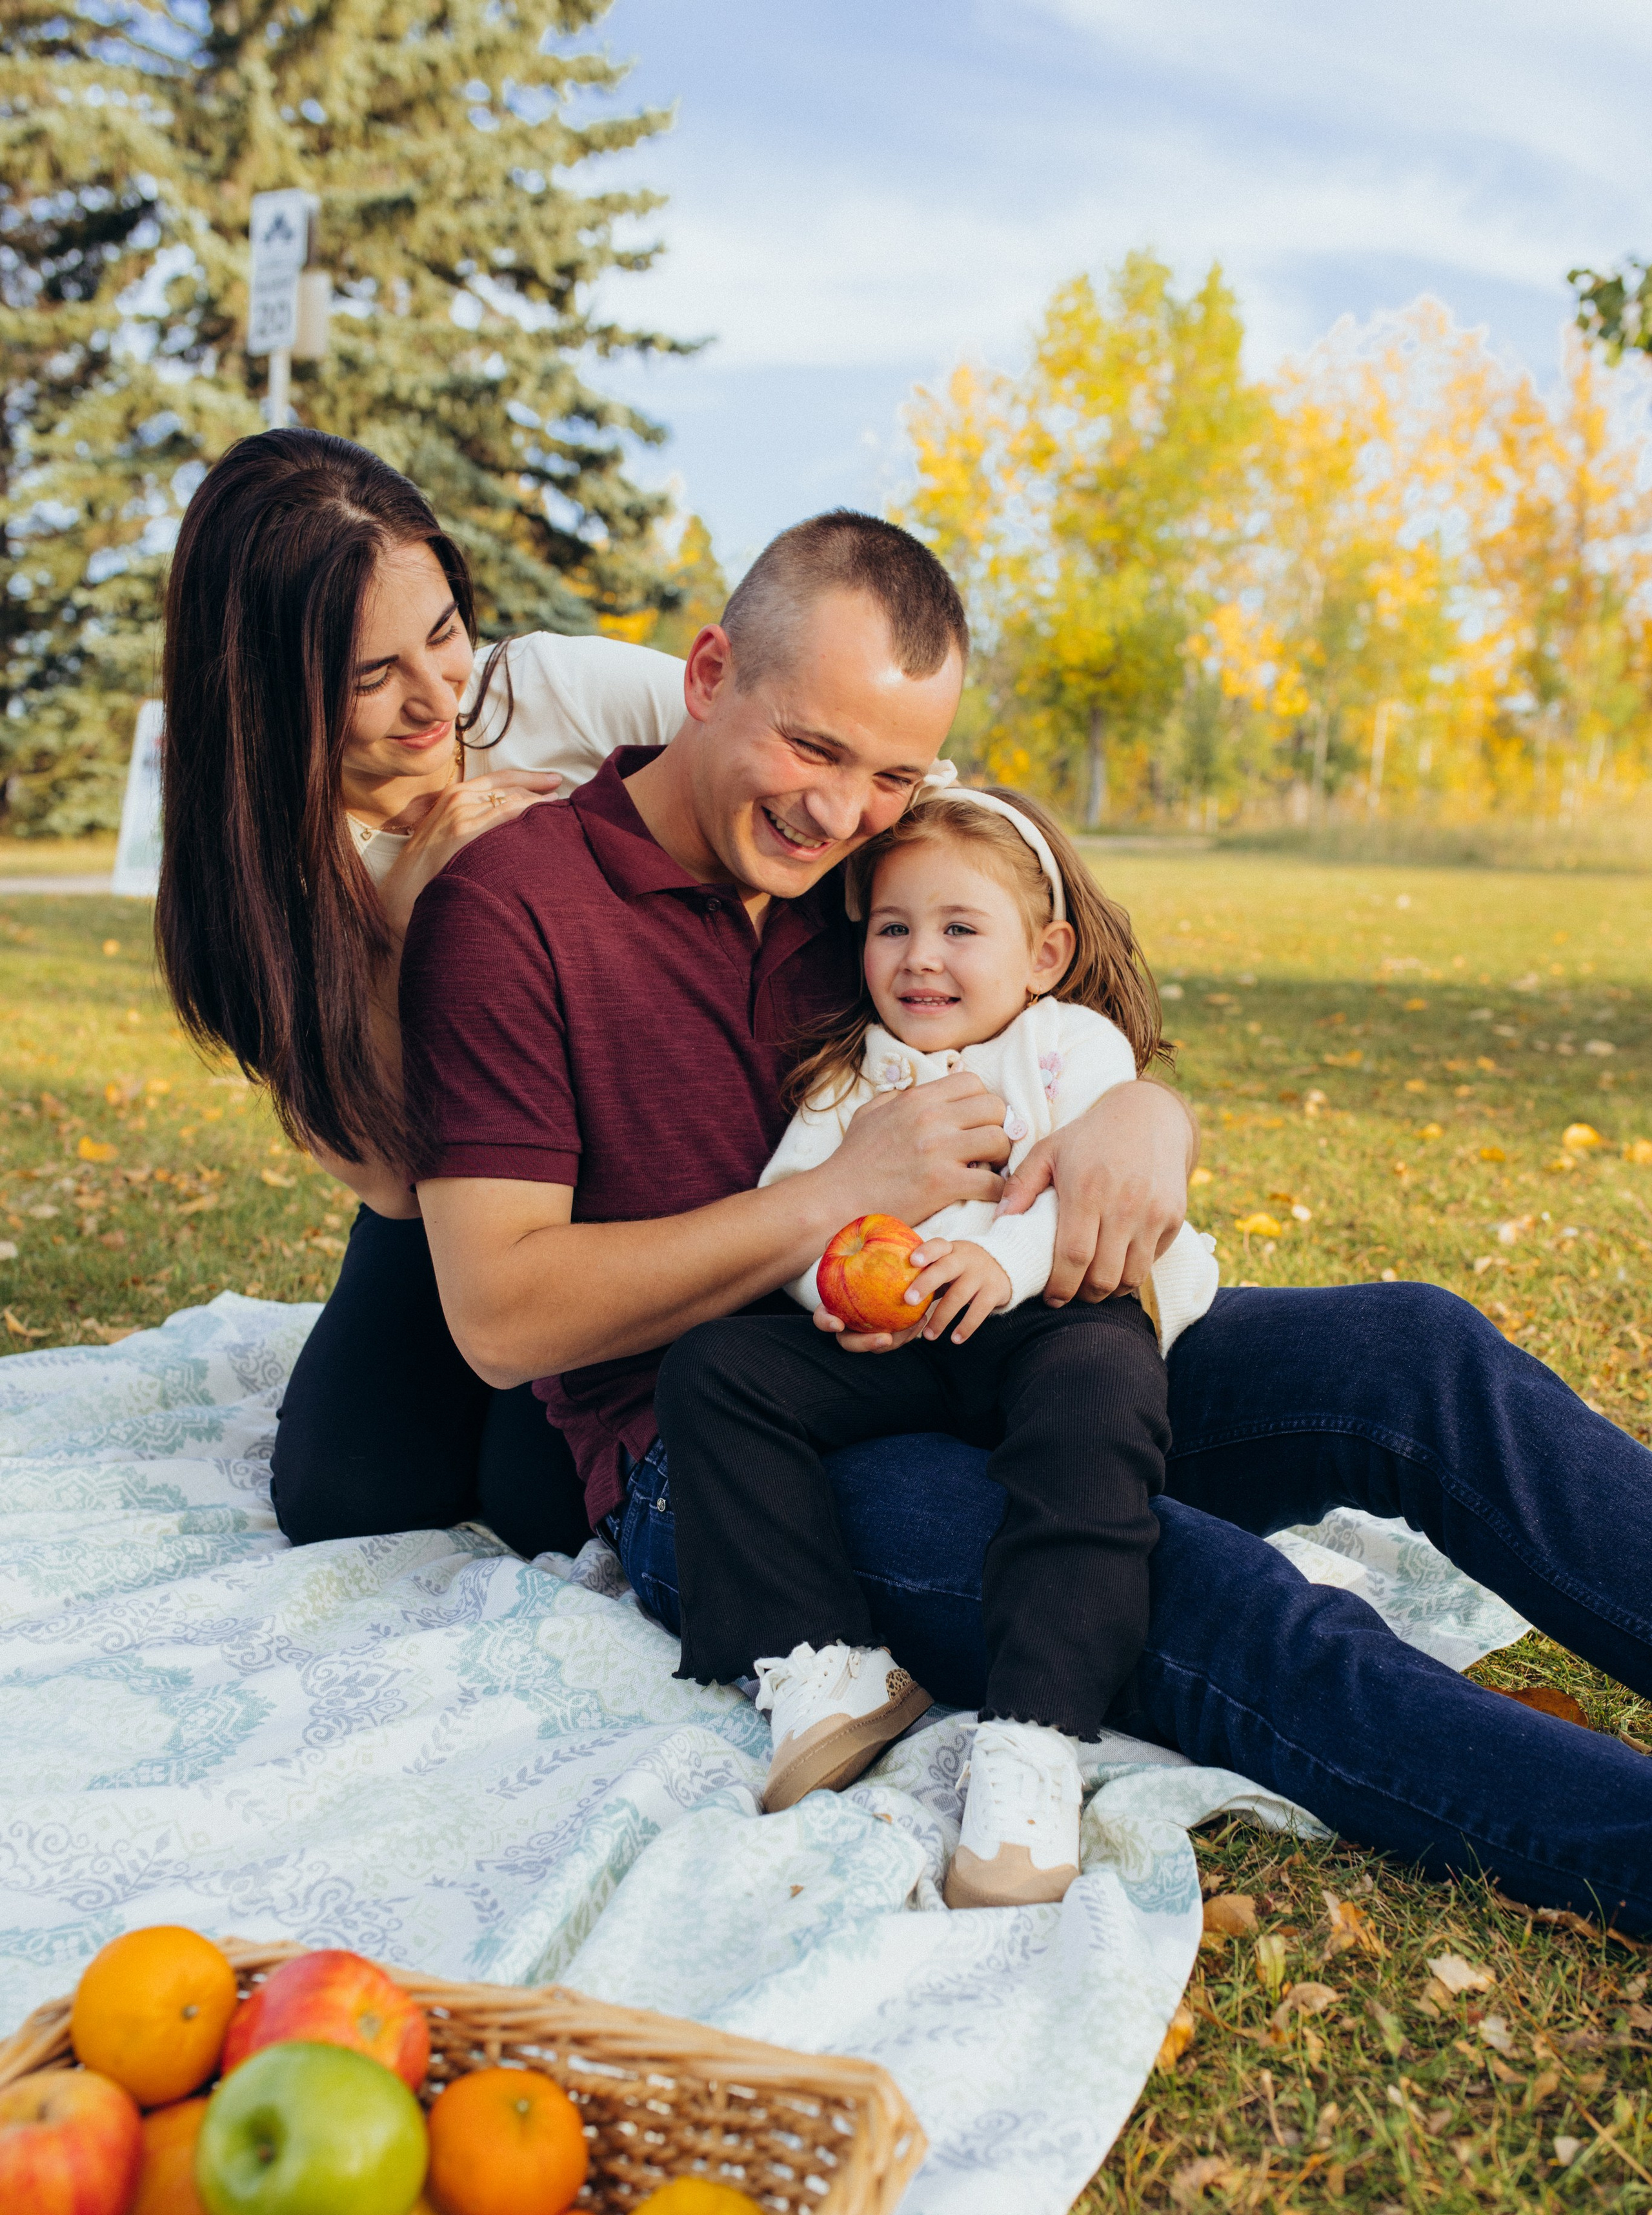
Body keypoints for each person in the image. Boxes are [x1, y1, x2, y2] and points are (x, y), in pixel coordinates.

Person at [401, 506, 1652, 1937]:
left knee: (1411, 1354)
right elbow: (501, 1317)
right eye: (809, 749)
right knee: (1199, 1591)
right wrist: (829, 1198)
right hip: (739, 1461)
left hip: (999, 1333)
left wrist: (1144, 1119)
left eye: (889, 773)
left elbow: (1056, 1020)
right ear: (704, 678)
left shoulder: (865, 873)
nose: (838, 810)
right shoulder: (509, 915)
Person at [656, 783, 1219, 1908]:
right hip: (908, 1341)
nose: (922, 958)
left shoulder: (1068, 1048)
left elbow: (1092, 1195)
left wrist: (1002, 1264)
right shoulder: (848, 1077)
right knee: (714, 1372)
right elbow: (790, 1217)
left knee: (1101, 1389)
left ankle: (1037, 1737)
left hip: (1054, 1309)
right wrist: (841, 1292)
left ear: (1044, 952)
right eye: (893, 928)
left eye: (962, 930)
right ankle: (826, 1664)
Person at [154, 429, 684, 1553]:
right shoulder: (258, 875)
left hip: (649, 1159)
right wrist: (410, 920)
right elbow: (393, 1182)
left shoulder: (552, 696)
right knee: (346, 1494)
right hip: (456, 1191)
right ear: (267, 690)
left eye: (443, 631)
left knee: (548, 1502)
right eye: (369, 676)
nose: (434, 693)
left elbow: (844, 770)